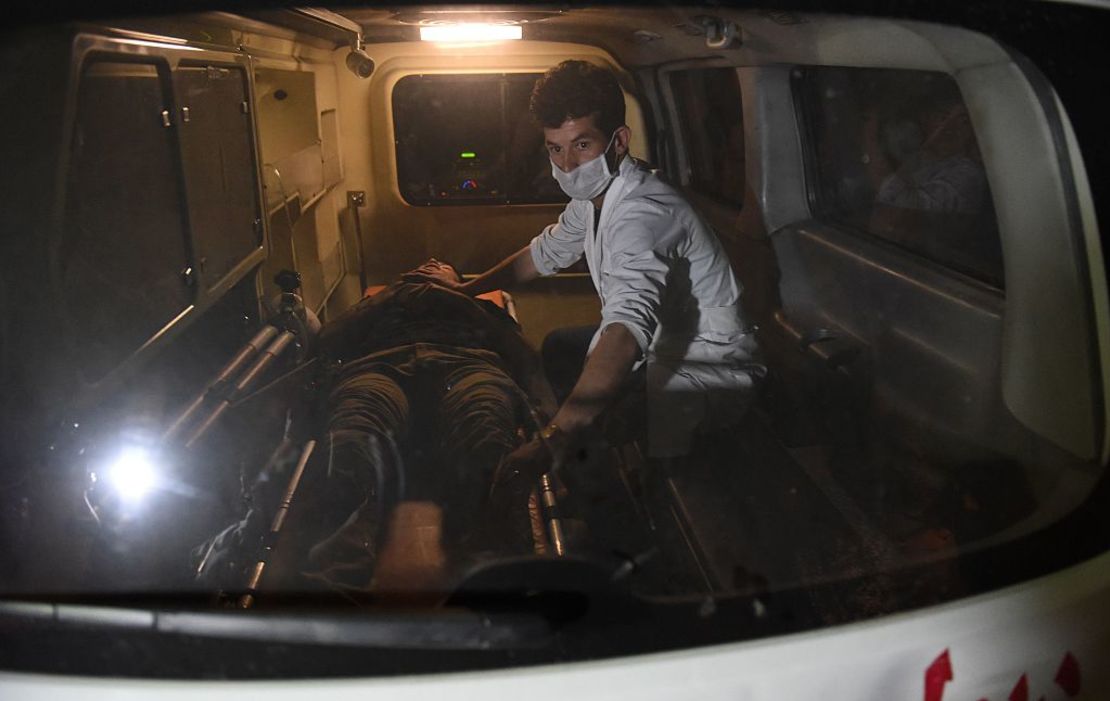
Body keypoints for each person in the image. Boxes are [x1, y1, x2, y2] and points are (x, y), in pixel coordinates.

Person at [408, 59, 762, 466]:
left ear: (619, 141)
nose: (567, 165)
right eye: (555, 148)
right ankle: (578, 463)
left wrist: (552, 442)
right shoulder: (593, 198)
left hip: (706, 366)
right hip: (665, 341)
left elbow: (626, 328)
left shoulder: (643, 212)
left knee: (601, 429)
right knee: (560, 347)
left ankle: (608, 500)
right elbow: (546, 253)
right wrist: (465, 290)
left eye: (582, 145)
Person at [194, 260, 557, 596]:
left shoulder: (480, 306)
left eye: (441, 267)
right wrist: (387, 297)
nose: (429, 264)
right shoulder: (382, 305)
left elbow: (522, 354)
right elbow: (328, 340)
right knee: (352, 448)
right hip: (378, 369)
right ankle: (336, 573)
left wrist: (458, 297)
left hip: (468, 366)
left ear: (460, 281)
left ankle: (488, 571)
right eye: (420, 267)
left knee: (486, 441)